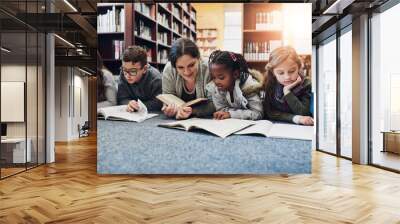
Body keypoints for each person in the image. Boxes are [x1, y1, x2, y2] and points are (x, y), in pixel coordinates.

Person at [162, 38, 215, 119]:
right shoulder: (169, 69)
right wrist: (168, 108)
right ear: (174, 67)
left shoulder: (209, 69)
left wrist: (191, 111)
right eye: (180, 67)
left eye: (191, 65)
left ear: (199, 58)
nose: (187, 72)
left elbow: (215, 103)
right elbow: (167, 96)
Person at [263, 46, 313, 125]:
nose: (287, 77)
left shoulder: (306, 84)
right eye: (280, 73)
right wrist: (296, 118)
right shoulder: (270, 83)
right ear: (273, 72)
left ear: (299, 67)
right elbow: (270, 112)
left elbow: (303, 113)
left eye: (292, 71)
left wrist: (287, 92)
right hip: (277, 126)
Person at [207, 50, 263, 120]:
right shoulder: (216, 89)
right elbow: (221, 109)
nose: (216, 81)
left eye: (221, 77)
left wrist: (231, 114)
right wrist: (224, 114)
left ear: (235, 74)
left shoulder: (249, 87)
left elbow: (258, 113)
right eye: (213, 77)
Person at [117, 46, 162, 112]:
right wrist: (128, 103)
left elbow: (158, 103)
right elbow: (121, 99)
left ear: (144, 69)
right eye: (124, 70)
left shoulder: (155, 78)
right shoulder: (123, 73)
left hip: (153, 115)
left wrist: (137, 105)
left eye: (132, 71)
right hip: (132, 115)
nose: (127, 75)